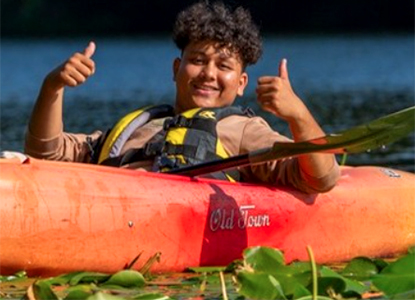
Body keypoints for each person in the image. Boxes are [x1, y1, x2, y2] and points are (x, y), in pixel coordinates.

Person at [25, 1, 340, 194]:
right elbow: (46, 154)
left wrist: (297, 115)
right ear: (177, 68)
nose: (208, 73)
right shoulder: (139, 126)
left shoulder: (244, 130)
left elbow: (319, 179)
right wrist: (52, 87)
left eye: (224, 66)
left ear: (241, 83)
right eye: (198, 60)